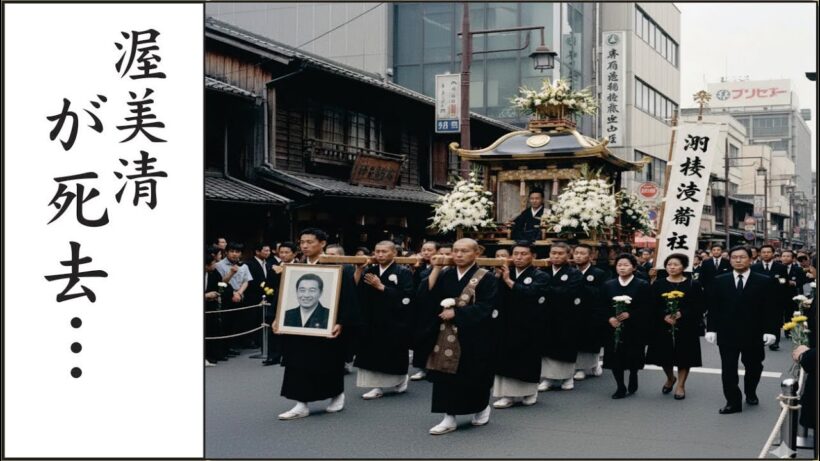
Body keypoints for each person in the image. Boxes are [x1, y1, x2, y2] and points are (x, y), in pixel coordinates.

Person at [274, 228, 360, 421]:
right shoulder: (294, 267)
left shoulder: (338, 267)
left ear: (322, 244)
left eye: (310, 242)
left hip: (325, 323)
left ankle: (337, 395)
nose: (304, 246)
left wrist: (341, 322)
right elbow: (285, 295)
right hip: (298, 326)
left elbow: (349, 298)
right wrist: (278, 318)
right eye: (302, 242)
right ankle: (300, 403)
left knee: (327, 362)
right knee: (297, 363)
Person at [417, 238, 498, 435]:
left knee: (474, 374)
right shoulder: (446, 274)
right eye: (456, 251)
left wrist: (458, 314)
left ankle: (480, 408)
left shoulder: (487, 278)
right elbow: (426, 296)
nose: (459, 255)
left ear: (476, 253)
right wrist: (435, 268)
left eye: (464, 251)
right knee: (445, 376)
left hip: (474, 335)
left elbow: (488, 306)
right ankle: (449, 417)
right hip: (446, 334)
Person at [705, 245, 779, 414]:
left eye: (742, 257)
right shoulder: (720, 280)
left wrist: (771, 331)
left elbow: (771, 308)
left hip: (754, 332)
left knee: (754, 366)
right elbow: (714, 307)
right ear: (729, 260)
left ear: (751, 259)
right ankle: (733, 401)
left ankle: (750, 392)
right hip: (727, 332)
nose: (738, 260)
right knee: (728, 368)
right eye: (734, 257)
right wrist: (711, 329)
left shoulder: (764, 281)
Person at [353, 241, 414, 400]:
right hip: (372, 319)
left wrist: (382, 287)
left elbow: (407, 298)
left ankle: (400, 379)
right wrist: (359, 269)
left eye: (384, 251)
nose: (380, 255)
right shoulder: (371, 271)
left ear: (394, 253)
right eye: (377, 251)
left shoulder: (403, 272)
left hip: (394, 320)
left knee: (393, 354)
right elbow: (359, 293)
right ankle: (377, 386)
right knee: (373, 354)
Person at [491, 242, 547, 409]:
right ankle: (507, 395)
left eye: (523, 254)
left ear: (533, 256)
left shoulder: (540, 275)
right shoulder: (503, 272)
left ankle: (530, 391)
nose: (519, 257)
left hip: (529, 323)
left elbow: (531, 294)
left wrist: (508, 280)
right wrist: (497, 278)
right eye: (515, 254)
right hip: (506, 321)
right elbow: (494, 294)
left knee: (527, 357)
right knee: (505, 357)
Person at [645, 253, 704, 400]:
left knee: (684, 356)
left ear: (684, 266)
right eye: (669, 264)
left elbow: (699, 305)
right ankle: (671, 378)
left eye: (676, 264)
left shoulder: (692, 284)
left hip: (686, 325)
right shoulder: (658, 283)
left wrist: (681, 313)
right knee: (664, 356)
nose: (672, 267)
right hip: (663, 325)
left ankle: (681, 385)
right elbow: (652, 305)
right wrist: (664, 315)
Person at [601, 253, 651, 399]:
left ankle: (633, 374)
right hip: (613, 326)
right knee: (615, 355)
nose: (622, 268)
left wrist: (631, 315)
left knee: (633, 355)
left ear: (634, 267)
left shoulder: (642, 284)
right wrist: (609, 318)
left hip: (634, 328)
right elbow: (601, 305)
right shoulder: (608, 285)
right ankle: (620, 386)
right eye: (619, 265)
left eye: (626, 265)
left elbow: (647, 306)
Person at [539, 242, 582, 391]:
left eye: (560, 253)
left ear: (568, 255)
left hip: (566, 315)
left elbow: (569, 293)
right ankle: (548, 378)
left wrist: (546, 289)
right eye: (553, 253)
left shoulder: (574, 273)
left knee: (565, 345)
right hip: (546, 314)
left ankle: (568, 377)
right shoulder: (542, 270)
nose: (556, 256)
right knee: (547, 346)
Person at [572, 244, 609, 380]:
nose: (578, 256)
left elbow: (601, 293)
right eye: (576, 253)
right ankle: (580, 366)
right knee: (576, 340)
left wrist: (581, 285)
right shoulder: (570, 271)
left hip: (591, 312)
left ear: (591, 256)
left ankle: (587, 367)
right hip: (574, 311)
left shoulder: (598, 273)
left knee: (590, 340)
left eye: (582, 253)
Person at [263, 242, 298, 366]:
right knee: (274, 328)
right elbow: (269, 285)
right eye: (281, 252)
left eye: (286, 252)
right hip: (276, 301)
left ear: (294, 254)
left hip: (294, 301)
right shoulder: (274, 266)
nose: (283, 255)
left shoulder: (300, 266)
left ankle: (288, 356)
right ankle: (273, 356)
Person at [410, 241, 440, 381]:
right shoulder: (419, 265)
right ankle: (422, 368)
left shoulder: (441, 265)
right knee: (421, 337)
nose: (426, 253)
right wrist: (414, 269)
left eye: (429, 250)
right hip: (420, 305)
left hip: (435, 304)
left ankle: (434, 367)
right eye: (424, 250)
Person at [215, 242, 254, 349]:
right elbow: (220, 283)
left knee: (239, 322)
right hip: (225, 297)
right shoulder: (219, 265)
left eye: (237, 252)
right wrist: (231, 273)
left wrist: (239, 293)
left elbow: (246, 281)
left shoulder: (244, 265)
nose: (234, 254)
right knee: (226, 322)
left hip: (240, 296)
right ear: (226, 252)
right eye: (232, 251)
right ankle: (225, 347)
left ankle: (235, 345)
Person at [752, 245, 789, 351]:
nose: (766, 254)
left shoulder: (781, 267)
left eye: (768, 252)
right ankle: (760, 339)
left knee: (775, 320)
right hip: (758, 299)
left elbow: (784, 282)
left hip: (775, 299)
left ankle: (775, 342)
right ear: (760, 254)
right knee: (759, 320)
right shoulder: (754, 267)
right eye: (763, 252)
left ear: (773, 254)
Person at [205, 250, 226, 366]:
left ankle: (212, 355)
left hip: (211, 306)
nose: (214, 265)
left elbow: (221, 284)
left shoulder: (213, 273)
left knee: (212, 329)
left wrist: (217, 293)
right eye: (212, 264)